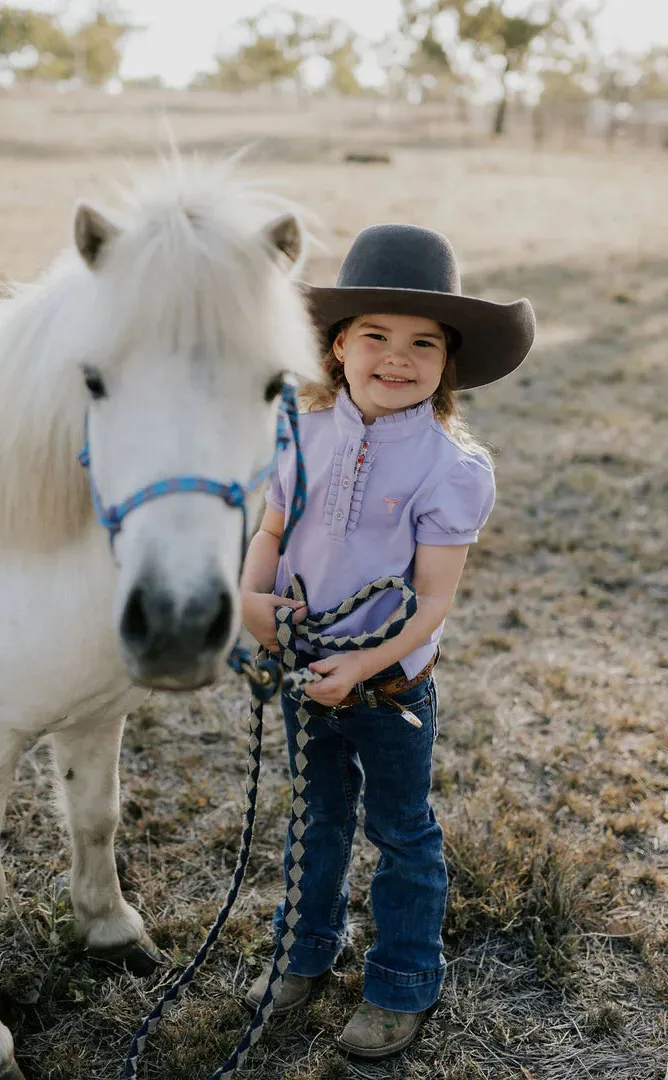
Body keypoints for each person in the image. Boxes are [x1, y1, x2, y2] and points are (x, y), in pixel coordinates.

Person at [239, 223, 535, 1060]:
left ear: (449, 365)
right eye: (375, 335)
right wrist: (252, 597)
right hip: (304, 671)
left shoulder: (451, 469)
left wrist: (365, 664)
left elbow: (433, 600)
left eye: (422, 344)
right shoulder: (299, 432)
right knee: (316, 817)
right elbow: (270, 534)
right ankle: (304, 952)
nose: (396, 357)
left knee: (401, 829)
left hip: (388, 687)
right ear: (338, 347)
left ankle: (402, 977)